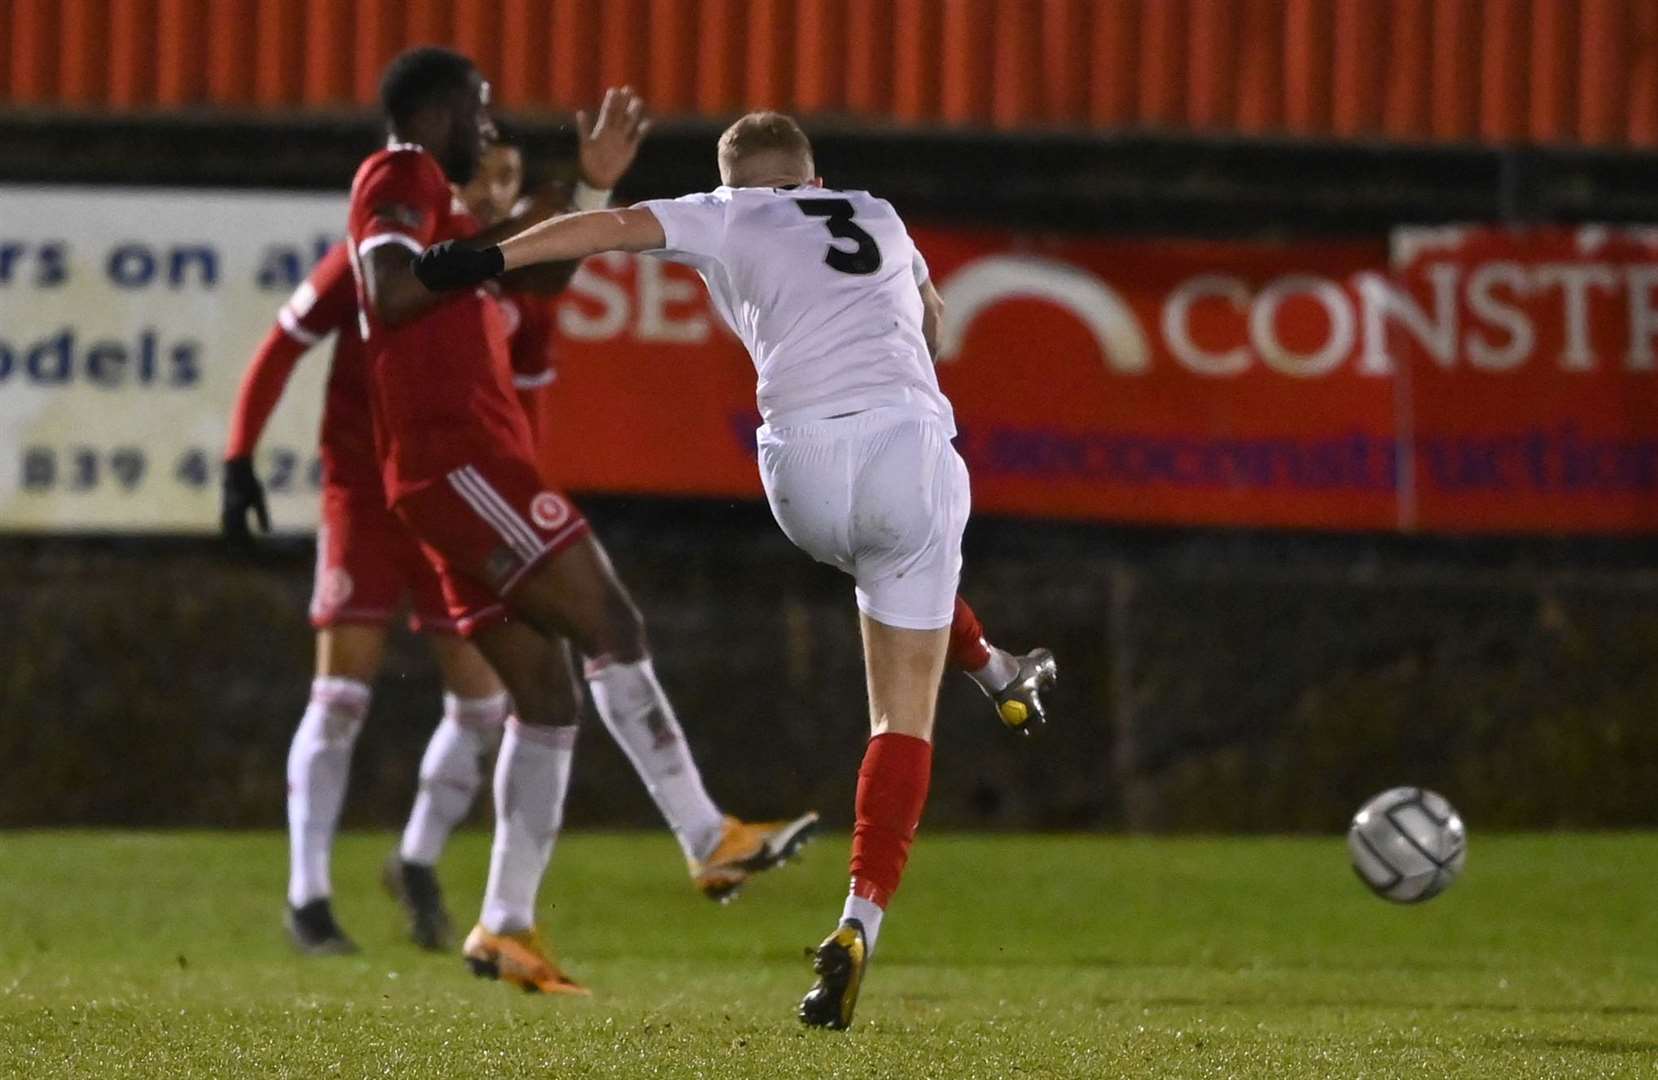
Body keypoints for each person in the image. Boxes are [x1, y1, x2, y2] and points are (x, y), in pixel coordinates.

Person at [414, 110, 1058, 1026]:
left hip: (797, 472)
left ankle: (998, 670)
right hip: (906, 446)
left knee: (888, 570)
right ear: (811, 173)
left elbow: (602, 230)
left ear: (735, 181)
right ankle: (858, 920)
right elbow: (932, 315)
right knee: (900, 693)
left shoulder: (724, 213)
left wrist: (482, 257)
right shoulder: (874, 210)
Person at [224, 89, 812, 968]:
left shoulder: (493, 280)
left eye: (509, 177)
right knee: (581, 635)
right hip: (411, 485)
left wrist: (589, 189)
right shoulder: (402, 246)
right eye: (487, 171)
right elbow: (310, 332)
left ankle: (486, 910)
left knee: (520, 699)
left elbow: (536, 282)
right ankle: (700, 835)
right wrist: (240, 457)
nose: (496, 190)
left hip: (467, 492)